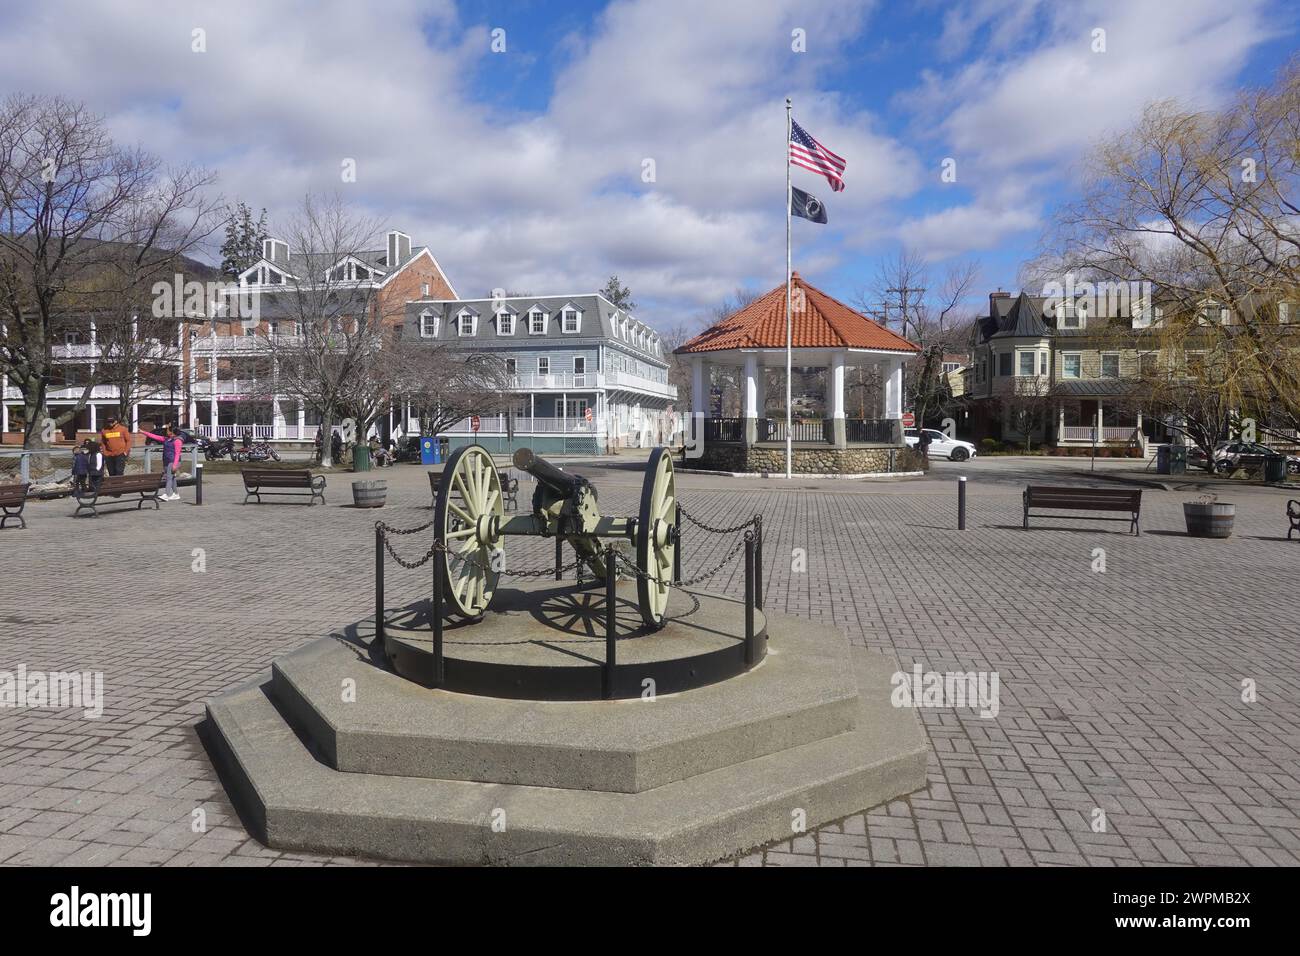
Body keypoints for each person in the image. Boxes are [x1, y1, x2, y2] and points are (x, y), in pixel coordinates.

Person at [141, 424, 183, 500]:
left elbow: (177, 454)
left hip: (173, 461)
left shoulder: (177, 441)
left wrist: (175, 465)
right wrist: (143, 432)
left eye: (167, 430)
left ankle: (167, 494)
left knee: (168, 477)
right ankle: (176, 494)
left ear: (172, 431)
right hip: (166, 460)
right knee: (172, 478)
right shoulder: (166, 439)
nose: (166, 431)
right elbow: (154, 436)